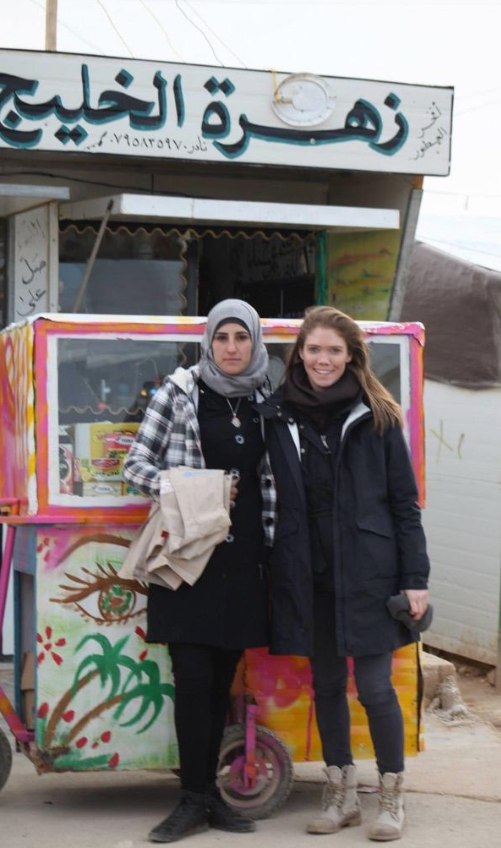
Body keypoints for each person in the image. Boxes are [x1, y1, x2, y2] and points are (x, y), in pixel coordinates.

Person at [258, 306, 430, 842]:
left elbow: (405, 504)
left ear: (352, 355)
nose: (323, 360)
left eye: (334, 350)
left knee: (376, 689)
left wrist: (415, 577)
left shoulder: (378, 415)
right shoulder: (277, 415)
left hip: (370, 575)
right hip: (309, 571)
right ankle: (341, 795)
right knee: (327, 685)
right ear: (299, 355)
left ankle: (392, 797)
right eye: (313, 350)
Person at [123, 299, 275, 844]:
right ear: (207, 342)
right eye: (222, 338)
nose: (231, 347)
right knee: (190, 677)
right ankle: (189, 799)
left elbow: (272, 481)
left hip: (244, 559)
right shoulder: (180, 391)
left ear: (255, 342)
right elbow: (135, 466)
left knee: (219, 684)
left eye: (241, 337)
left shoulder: (266, 399)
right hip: (188, 558)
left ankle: (209, 797)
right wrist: (195, 487)